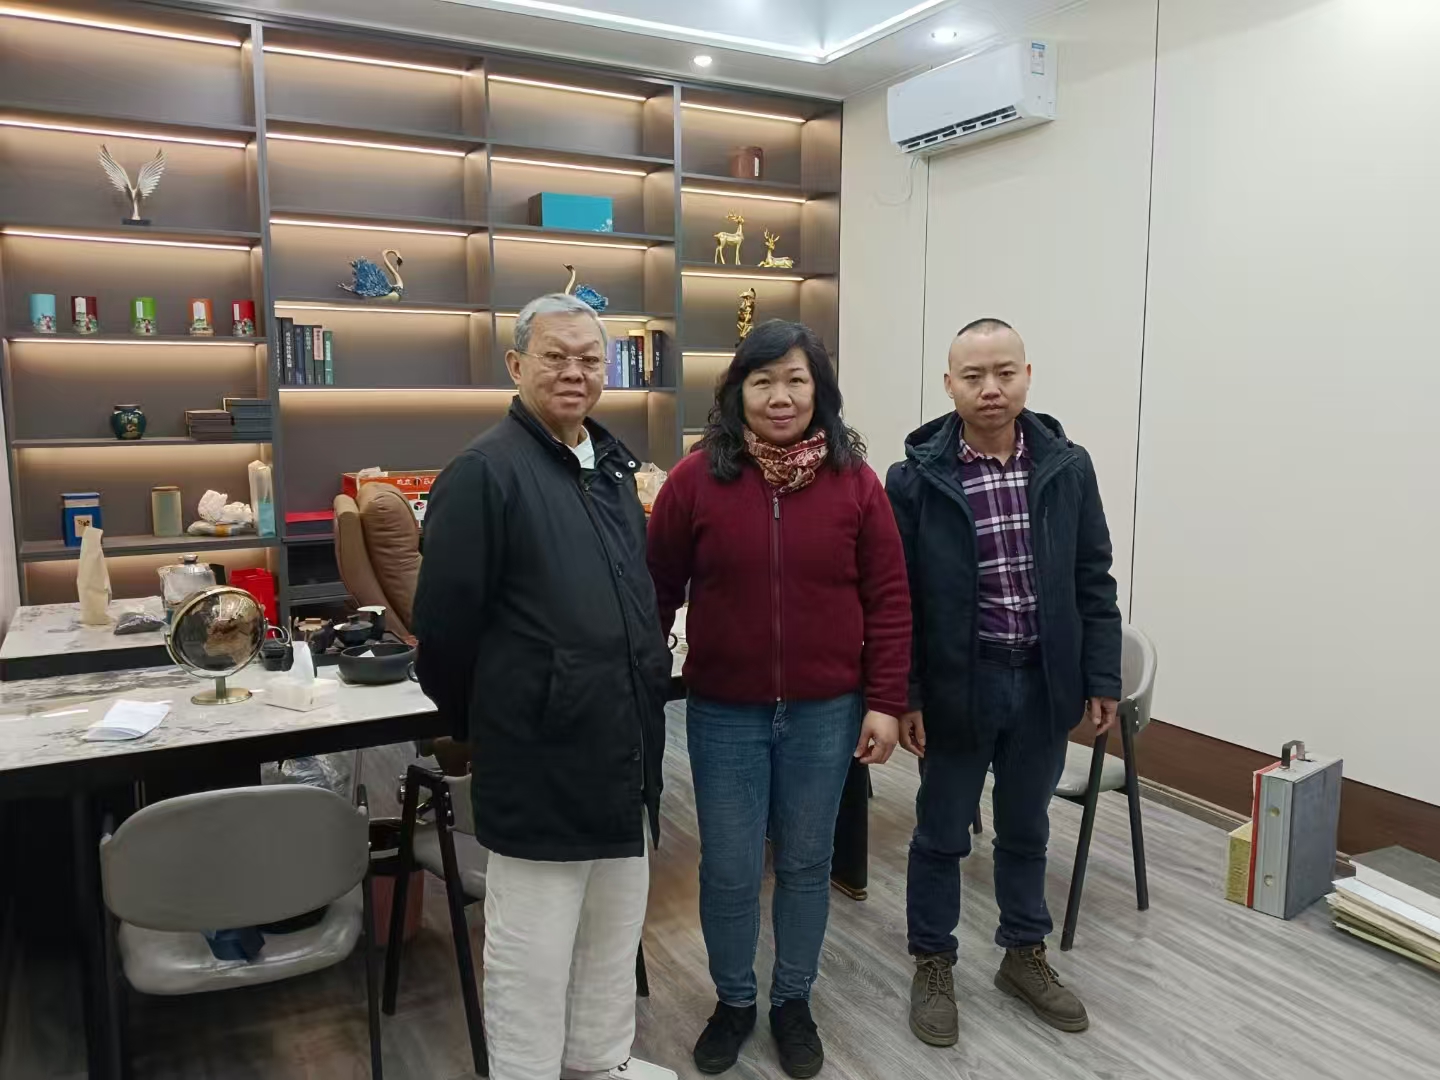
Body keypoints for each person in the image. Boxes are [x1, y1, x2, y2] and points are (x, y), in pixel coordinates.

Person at [412, 293, 676, 1080]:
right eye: (554, 356)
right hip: (538, 755)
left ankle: (600, 1061)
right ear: (516, 364)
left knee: (611, 929)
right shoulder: (484, 472)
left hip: (624, 745)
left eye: (590, 359)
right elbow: (444, 634)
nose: (574, 372)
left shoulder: (612, 466)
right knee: (533, 948)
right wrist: (495, 721)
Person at [648, 320, 911, 1078]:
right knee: (729, 867)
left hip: (826, 712)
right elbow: (655, 590)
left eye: (796, 379)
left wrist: (885, 699)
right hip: (724, 712)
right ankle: (734, 1001)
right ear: (737, 393)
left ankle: (793, 1000)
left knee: (804, 862)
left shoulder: (856, 483)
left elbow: (890, 598)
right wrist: (640, 684)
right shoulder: (694, 480)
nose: (780, 396)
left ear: (819, 390)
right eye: (762, 381)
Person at [886, 318, 1122, 1047]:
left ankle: (1024, 954)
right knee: (940, 834)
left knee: (1025, 829)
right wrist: (909, 694)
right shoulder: (915, 478)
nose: (990, 388)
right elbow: (900, 598)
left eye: (1004, 372)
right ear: (948, 384)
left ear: (1027, 375)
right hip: (961, 686)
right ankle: (933, 963)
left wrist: (1102, 675)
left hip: (1044, 685)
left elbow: (1093, 576)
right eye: (973, 376)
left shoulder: (1067, 466)